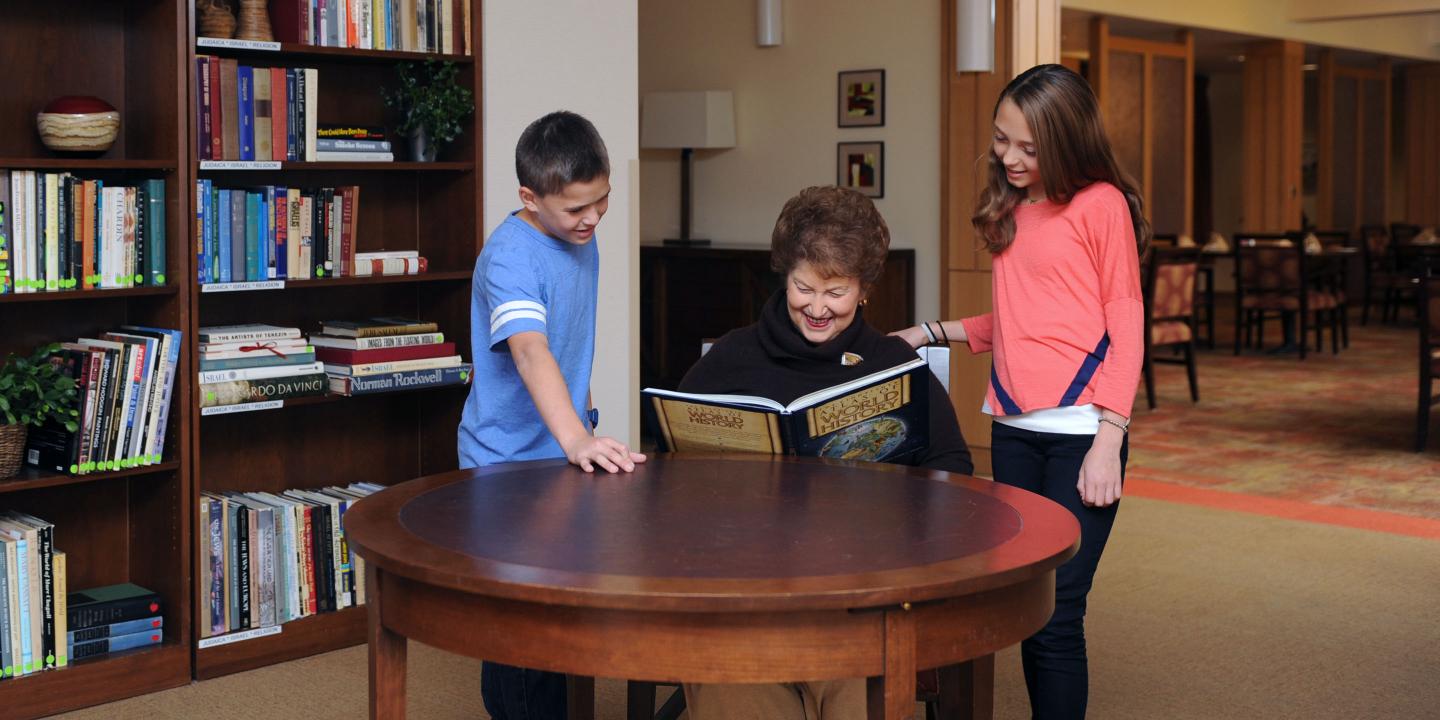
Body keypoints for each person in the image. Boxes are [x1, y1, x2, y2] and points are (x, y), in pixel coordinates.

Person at [893, 64, 1147, 719]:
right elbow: (1026, 320)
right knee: (1026, 605)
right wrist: (929, 332)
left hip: (1080, 434)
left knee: (1060, 609)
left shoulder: (1100, 204)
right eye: (1002, 139)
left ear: (1065, 141)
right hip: (1012, 429)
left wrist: (1107, 439)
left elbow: (1126, 325)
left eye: (1029, 148)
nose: (1009, 156)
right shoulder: (1017, 202)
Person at [677, 185, 974, 720]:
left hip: (858, 591)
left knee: (861, 684)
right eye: (803, 288)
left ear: (865, 291)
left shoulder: (893, 366)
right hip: (747, 590)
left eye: (835, 293)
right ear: (783, 274)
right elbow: (674, 472)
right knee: (732, 682)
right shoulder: (731, 357)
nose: (816, 308)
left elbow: (952, 473)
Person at [458, 110, 646, 720]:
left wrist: (583, 426)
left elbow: (572, 345)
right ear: (529, 199)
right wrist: (576, 439)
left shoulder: (578, 236)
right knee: (519, 627)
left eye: (603, 200)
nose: (592, 218)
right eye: (575, 209)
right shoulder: (510, 257)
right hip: (504, 462)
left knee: (563, 610)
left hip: (561, 447)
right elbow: (531, 349)